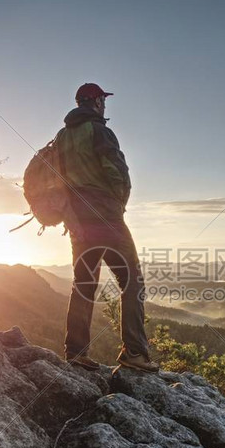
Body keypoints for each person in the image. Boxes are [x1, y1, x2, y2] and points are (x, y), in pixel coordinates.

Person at [59, 83, 159, 372]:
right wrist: (119, 204)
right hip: (106, 217)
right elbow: (118, 171)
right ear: (96, 101)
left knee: (84, 282)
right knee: (132, 281)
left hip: (77, 221)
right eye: (103, 99)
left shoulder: (62, 137)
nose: (105, 105)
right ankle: (135, 353)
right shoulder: (100, 131)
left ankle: (76, 352)